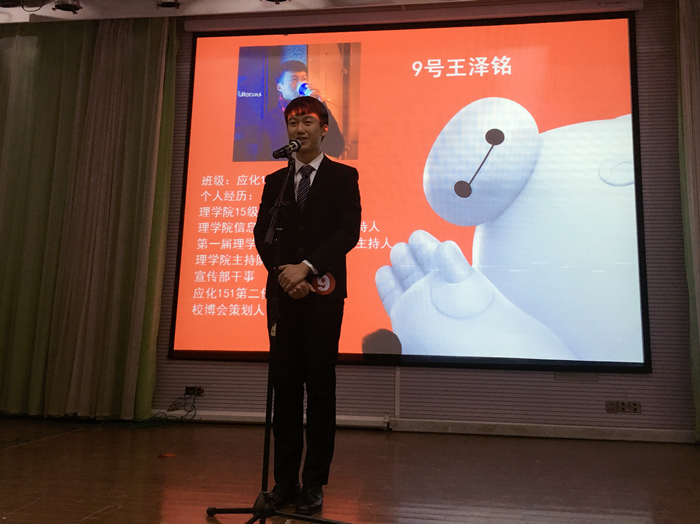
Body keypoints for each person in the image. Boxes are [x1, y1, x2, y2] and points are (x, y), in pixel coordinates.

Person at [253, 96, 361, 515]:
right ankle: (284, 483)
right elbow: (263, 234)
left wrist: (307, 268)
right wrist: (285, 274)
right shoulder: (275, 182)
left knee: (318, 387)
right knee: (284, 387)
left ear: (325, 128)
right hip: (284, 295)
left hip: (323, 295)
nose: (299, 130)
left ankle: (314, 483)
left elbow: (347, 232)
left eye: (308, 122)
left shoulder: (343, 177)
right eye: (293, 123)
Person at [257, 60, 345, 161]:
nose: (300, 83)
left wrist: (320, 104)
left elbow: (337, 147)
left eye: (304, 79)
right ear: (280, 87)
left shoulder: (316, 113)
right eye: (294, 79)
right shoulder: (270, 120)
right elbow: (262, 157)